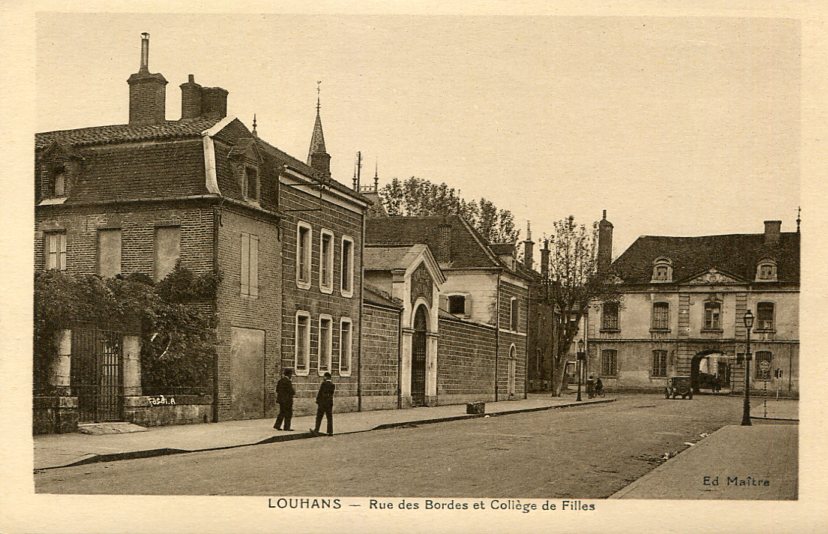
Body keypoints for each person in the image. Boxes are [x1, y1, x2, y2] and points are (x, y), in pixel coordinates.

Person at [310, 372, 335, 436]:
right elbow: (331, 394)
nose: (323, 378)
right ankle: (330, 432)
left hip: (322, 403)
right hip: (329, 403)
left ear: (326, 377)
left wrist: (318, 401)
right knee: (329, 418)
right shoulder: (332, 385)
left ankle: (316, 430)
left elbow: (320, 393)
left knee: (319, 417)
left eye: (324, 376)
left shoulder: (324, 384)